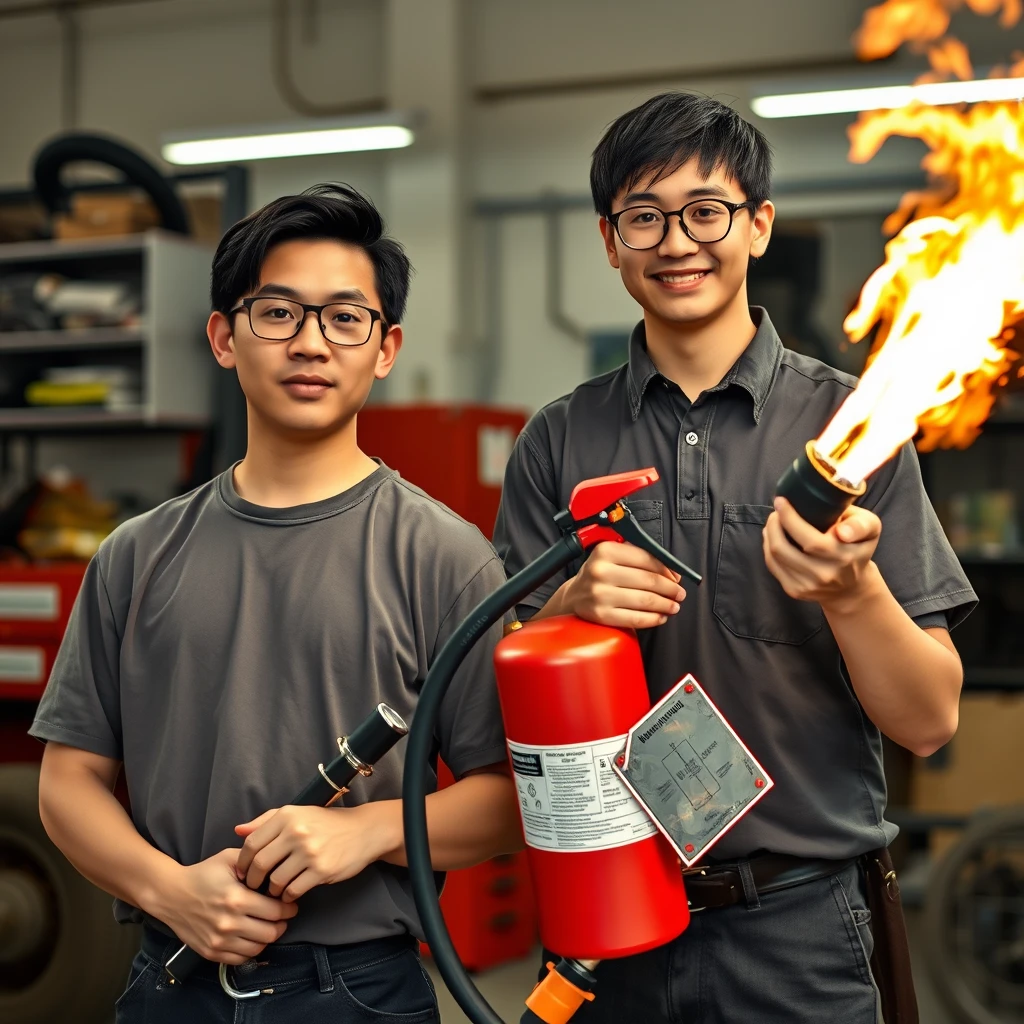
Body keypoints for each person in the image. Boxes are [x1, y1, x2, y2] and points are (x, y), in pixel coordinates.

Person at [493, 92, 975, 1024]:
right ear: (610, 241)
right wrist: (566, 614)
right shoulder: (558, 439)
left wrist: (853, 589)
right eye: (645, 216)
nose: (677, 241)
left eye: (706, 211)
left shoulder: (853, 429)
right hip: (605, 920)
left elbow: (929, 720)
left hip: (798, 929)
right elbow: (486, 693)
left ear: (757, 225)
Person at [31, 183, 521, 1023]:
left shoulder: (446, 557)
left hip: (357, 993)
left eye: (344, 318)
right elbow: (68, 781)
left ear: (386, 347)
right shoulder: (136, 555)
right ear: (224, 337)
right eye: (279, 314)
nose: (311, 344)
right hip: (169, 981)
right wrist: (174, 891)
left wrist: (364, 833)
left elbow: (512, 797)